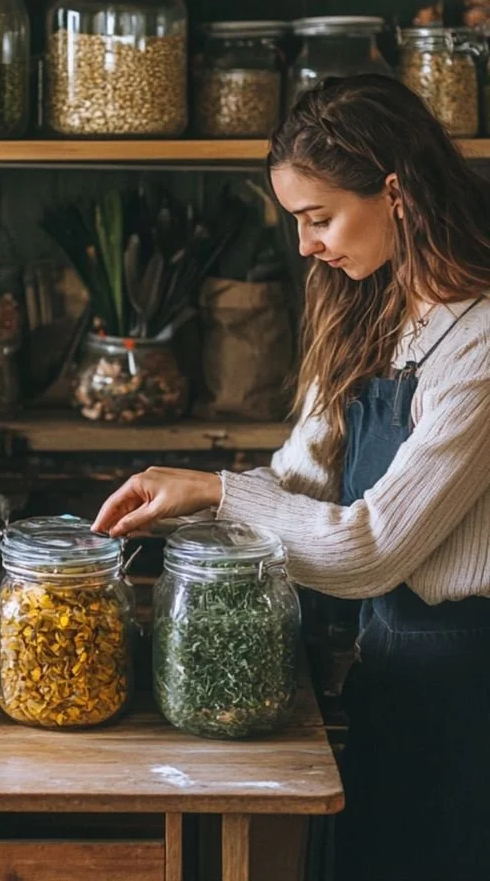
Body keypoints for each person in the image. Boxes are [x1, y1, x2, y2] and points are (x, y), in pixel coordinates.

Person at [92, 74, 490, 881]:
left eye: (319, 218)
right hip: (387, 668)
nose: (306, 245)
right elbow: (299, 479)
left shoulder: (479, 346)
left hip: (464, 690)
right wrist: (183, 512)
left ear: (397, 191)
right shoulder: (374, 314)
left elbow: (370, 550)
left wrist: (213, 488)